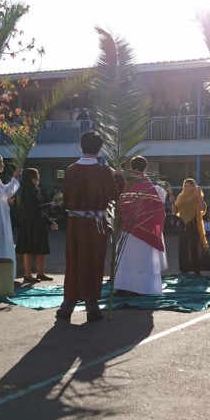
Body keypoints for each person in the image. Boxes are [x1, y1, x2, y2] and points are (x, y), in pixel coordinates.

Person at [57, 131, 123, 323]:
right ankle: (92, 305)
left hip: (75, 223)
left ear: (80, 146)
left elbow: (65, 199)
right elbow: (116, 195)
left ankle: (68, 304)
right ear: (100, 148)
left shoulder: (71, 169)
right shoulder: (104, 172)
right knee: (94, 261)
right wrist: (119, 178)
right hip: (96, 224)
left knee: (74, 260)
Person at [114, 156, 168, 296]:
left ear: (131, 167)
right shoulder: (150, 187)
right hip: (145, 231)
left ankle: (123, 286)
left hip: (127, 230)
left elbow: (118, 205)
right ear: (145, 168)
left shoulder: (127, 185)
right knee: (142, 261)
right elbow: (159, 209)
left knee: (126, 260)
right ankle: (143, 288)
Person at [15, 168, 57, 284]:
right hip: (30, 224)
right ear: (31, 178)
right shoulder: (27, 192)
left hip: (39, 223)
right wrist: (49, 205)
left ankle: (40, 273)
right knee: (29, 249)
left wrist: (50, 222)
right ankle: (27, 274)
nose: (38, 179)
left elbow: (40, 211)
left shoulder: (36, 190)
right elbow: (33, 209)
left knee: (41, 249)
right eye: (36, 177)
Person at [174, 178, 210, 276]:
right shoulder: (181, 196)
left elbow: (202, 208)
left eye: (189, 186)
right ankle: (184, 270)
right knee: (183, 247)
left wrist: (199, 196)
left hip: (194, 223)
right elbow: (175, 211)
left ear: (194, 186)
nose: (187, 187)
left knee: (194, 248)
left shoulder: (197, 196)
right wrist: (173, 202)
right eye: (185, 185)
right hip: (183, 224)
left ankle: (196, 270)